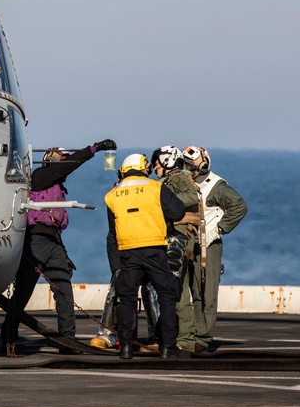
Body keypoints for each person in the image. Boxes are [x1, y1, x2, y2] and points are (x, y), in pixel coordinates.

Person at [0, 139, 116, 355]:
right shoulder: (40, 177)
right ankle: (8, 336)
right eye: (61, 160)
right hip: (34, 242)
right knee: (23, 294)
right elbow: (69, 164)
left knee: (64, 293)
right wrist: (94, 148)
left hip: (53, 242)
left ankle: (68, 342)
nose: (65, 164)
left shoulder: (56, 185)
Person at [104, 153, 187, 360]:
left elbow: (112, 233)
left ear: (123, 171)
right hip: (154, 250)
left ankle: (125, 348)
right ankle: (168, 347)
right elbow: (178, 212)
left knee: (127, 299)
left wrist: (115, 266)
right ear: (145, 168)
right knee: (167, 296)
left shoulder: (112, 195)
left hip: (127, 253)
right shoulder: (156, 187)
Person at [182, 145, 248, 353]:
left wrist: (218, 230)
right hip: (188, 242)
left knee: (206, 288)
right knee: (191, 288)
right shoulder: (186, 183)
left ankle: (203, 336)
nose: (187, 168)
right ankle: (190, 332)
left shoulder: (216, 186)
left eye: (190, 164)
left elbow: (239, 206)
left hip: (208, 243)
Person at [150, 146, 202, 352]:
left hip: (181, 239)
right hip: (180, 238)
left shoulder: (177, 178)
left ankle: (185, 339)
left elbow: (191, 198)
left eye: (156, 164)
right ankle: (182, 338)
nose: (155, 169)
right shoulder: (173, 179)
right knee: (177, 291)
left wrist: (165, 202)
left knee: (174, 289)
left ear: (166, 161)